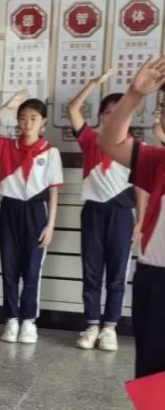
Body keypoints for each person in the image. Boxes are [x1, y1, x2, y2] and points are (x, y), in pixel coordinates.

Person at [96, 57, 165, 410]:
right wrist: (135, 95)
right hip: (156, 284)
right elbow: (109, 140)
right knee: (157, 406)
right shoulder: (160, 160)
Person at [0, 90, 63, 343]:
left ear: (43, 122)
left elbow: (54, 192)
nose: (27, 124)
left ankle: (29, 320)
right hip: (10, 208)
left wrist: (50, 225)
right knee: (9, 266)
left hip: (37, 210)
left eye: (34, 118)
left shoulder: (50, 152)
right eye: (23, 118)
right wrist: (6, 107)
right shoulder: (7, 145)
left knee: (31, 268)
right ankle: (11, 319)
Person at [67, 69, 141, 351]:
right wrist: (94, 84)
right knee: (92, 270)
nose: (112, 117)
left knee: (117, 274)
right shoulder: (91, 140)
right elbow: (73, 108)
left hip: (122, 214)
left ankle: (110, 327)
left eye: (119, 111)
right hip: (94, 212)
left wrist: (140, 222)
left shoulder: (137, 147)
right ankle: (91, 325)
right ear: (101, 116)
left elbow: (143, 190)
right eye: (107, 112)